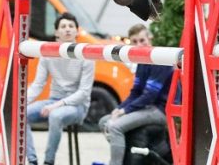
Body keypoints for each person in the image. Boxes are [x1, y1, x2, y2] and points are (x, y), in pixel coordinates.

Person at [100, 23, 174, 165]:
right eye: (134, 42)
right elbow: (136, 92)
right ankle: (125, 157)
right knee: (104, 121)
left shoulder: (160, 59)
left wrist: (124, 111)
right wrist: (119, 108)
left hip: (160, 110)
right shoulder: (141, 60)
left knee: (115, 127)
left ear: (150, 38)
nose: (139, 45)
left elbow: (149, 95)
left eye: (142, 40)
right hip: (146, 108)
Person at [26, 13, 94, 165]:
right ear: (56, 32)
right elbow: (38, 85)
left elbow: (84, 93)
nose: (67, 29)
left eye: (71, 26)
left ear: (77, 31)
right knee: (21, 114)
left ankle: (48, 161)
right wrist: (21, 103)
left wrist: (56, 105)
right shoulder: (48, 53)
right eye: (63, 26)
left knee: (55, 115)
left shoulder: (86, 55)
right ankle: (32, 160)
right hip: (53, 101)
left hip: (77, 106)